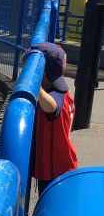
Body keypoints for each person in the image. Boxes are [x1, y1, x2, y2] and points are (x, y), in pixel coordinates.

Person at [28, 42, 78, 195]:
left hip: (56, 171)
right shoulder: (60, 89)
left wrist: (34, 83)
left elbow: (52, 107)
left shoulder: (57, 95)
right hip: (61, 165)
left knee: (52, 205)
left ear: (42, 73)